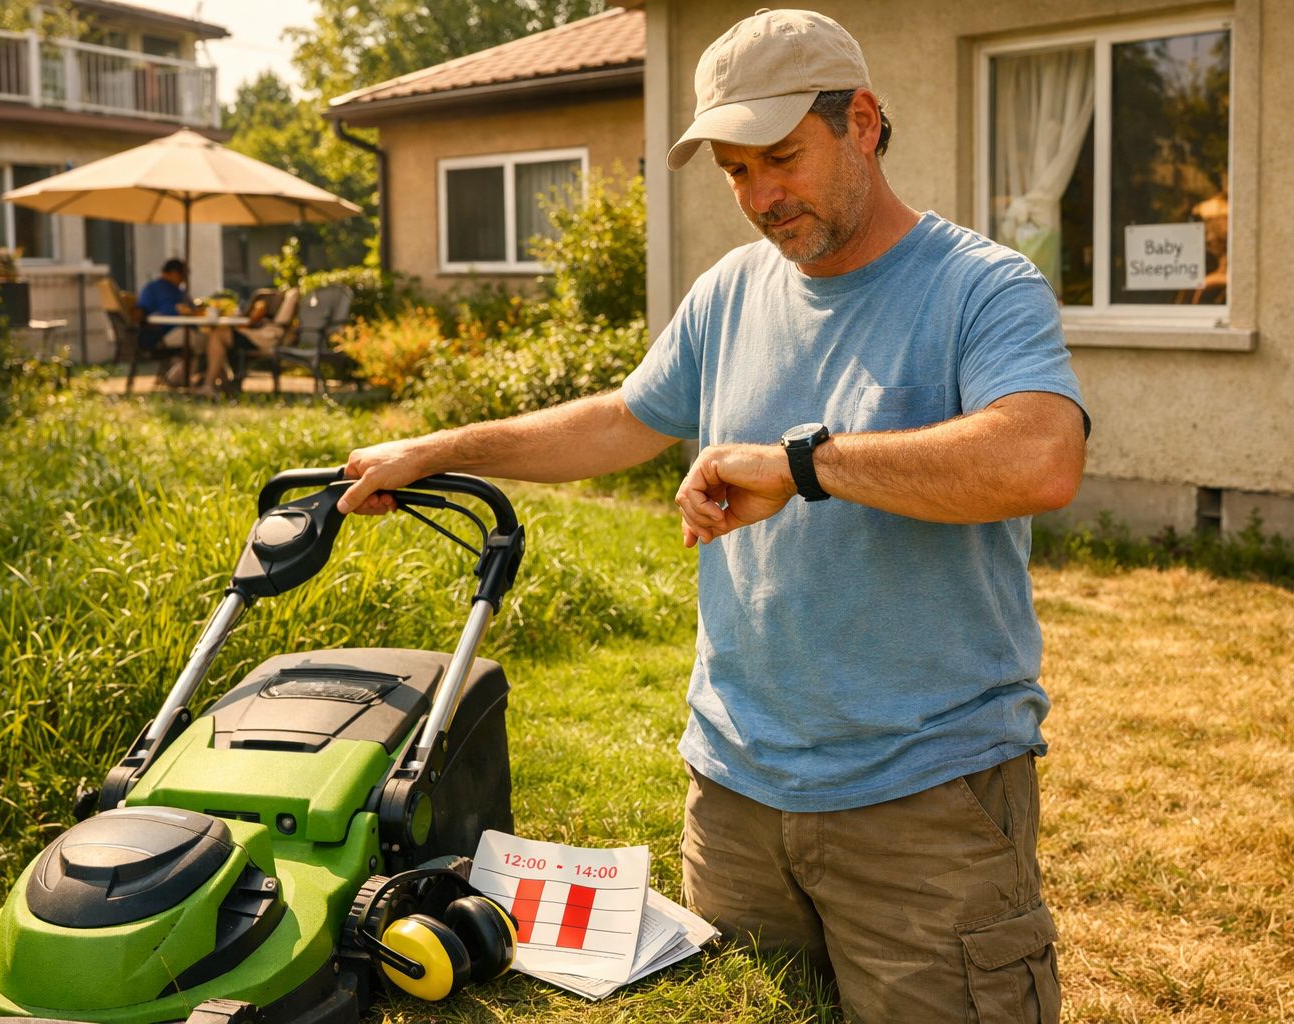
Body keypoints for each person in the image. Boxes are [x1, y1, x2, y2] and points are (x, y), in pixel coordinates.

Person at [338, 10, 1087, 1022]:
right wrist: (438, 447)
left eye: (780, 157)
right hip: (734, 797)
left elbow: (1040, 456)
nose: (759, 197)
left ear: (862, 122)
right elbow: (614, 422)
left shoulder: (980, 287)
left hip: (926, 801)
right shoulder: (732, 291)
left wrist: (801, 464)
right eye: (735, 170)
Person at [134, 257, 230, 394]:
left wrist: (194, 311)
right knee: (211, 341)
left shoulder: (180, 291)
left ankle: (181, 377)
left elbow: (191, 310)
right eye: (183, 275)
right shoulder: (152, 288)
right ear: (172, 272)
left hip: (186, 329)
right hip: (163, 333)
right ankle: (218, 381)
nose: (184, 279)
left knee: (212, 338)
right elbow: (141, 312)